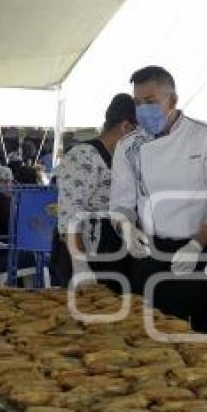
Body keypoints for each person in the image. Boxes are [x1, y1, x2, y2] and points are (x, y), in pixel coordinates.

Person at [110, 65, 207, 332]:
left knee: (198, 337)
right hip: (150, 253)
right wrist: (126, 228)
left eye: (150, 102)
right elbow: (121, 202)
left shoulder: (205, 137)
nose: (143, 109)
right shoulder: (128, 146)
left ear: (172, 100)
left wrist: (197, 244)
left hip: (199, 253)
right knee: (147, 334)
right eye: (137, 103)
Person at [52, 93, 137, 289]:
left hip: (113, 248)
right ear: (126, 127)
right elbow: (69, 215)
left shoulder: (120, 158)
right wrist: (80, 265)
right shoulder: (83, 156)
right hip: (85, 249)